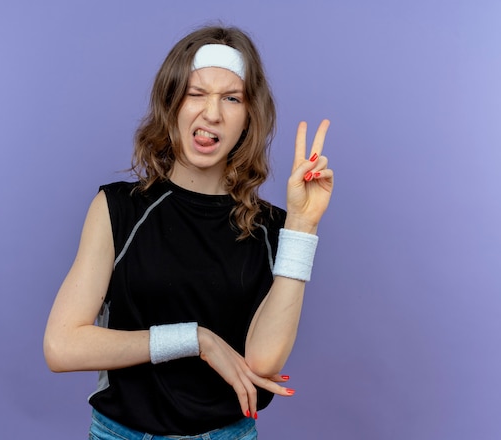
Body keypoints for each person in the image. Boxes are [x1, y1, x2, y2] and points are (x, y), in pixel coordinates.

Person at [43, 25, 333, 439]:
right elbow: (61, 346)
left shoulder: (273, 228)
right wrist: (194, 339)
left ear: (248, 118)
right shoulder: (118, 208)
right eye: (196, 93)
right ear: (171, 103)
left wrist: (303, 227)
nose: (211, 113)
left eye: (231, 98)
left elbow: (263, 363)